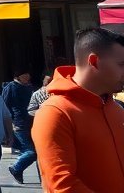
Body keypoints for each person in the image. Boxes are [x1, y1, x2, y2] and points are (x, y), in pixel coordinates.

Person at [32, 27, 124, 193]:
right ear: (94, 61)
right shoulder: (55, 112)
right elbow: (61, 184)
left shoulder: (116, 108)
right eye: (122, 64)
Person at [0, 68, 34, 183]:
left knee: (28, 150)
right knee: (31, 151)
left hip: (31, 123)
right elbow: (5, 106)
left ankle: (19, 171)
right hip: (19, 124)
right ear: (18, 76)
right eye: (25, 74)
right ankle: (16, 167)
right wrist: (9, 123)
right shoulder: (11, 87)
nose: (27, 76)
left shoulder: (29, 87)